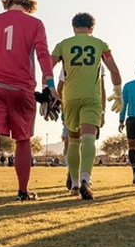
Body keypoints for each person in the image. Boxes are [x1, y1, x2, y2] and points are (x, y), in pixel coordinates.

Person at [0, 0, 56, 205]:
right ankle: (22, 190)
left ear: (7, 4)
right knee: (23, 139)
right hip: (23, 88)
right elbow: (43, 54)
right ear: (29, 7)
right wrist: (50, 83)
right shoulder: (36, 23)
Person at [52, 12, 122, 200]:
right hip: (91, 98)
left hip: (70, 99)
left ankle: (74, 184)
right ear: (92, 28)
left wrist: (48, 89)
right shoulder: (101, 45)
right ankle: (85, 178)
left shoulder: (63, 45)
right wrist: (118, 92)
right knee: (89, 138)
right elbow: (114, 70)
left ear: (73, 27)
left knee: (73, 141)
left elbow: (47, 67)